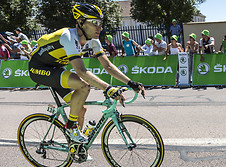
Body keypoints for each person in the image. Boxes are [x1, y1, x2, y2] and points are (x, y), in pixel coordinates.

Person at [28, 3, 145, 146]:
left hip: (56, 69)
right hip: (39, 68)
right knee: (83, 86)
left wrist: (130, 82)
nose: (99, 27)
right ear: (80, 22)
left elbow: (108, 65)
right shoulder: (68, 37)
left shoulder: (94, 41)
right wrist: (108, 88)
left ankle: (76, 146)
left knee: (80, 109)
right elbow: (81, 71)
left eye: (101, 23)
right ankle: (71, 127)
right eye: (94, 22)